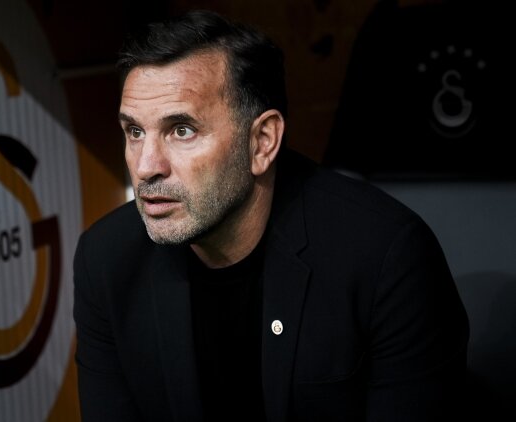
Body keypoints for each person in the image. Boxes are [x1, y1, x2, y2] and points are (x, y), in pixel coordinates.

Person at [73, 10, 468, 422]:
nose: (145, 166)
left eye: (182, 130)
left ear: (262, 142)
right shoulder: (105, 260)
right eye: (135, 132)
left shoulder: (386, 257)